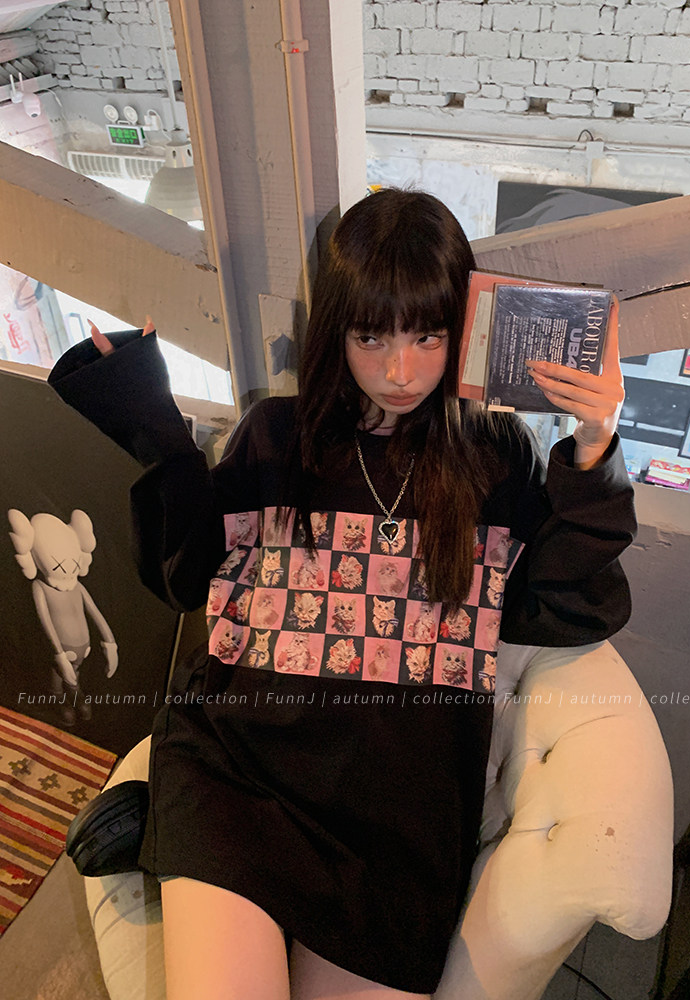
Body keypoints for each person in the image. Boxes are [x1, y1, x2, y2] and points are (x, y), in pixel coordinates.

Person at [48, 188, 636, 1000]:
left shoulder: (495, 457)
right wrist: (156, 427)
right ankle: (168, 825)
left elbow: (566, 605)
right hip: (240, 777)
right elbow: (185, 578)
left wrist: (595, 445)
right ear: (337, 331)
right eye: (371, 337)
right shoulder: (277, 436)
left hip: (395, 826)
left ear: (460, 328)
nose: (400, 372)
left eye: (427, 336)